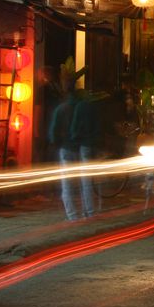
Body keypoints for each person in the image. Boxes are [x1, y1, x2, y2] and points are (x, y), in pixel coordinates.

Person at [49, 77, 97, 221]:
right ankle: (89, 213)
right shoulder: (84, 106)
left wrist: (56, 143)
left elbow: (53, 133)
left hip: (67, 148)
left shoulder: (60, 109)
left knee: (67, 186)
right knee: (86, 183)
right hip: (83, 148)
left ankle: (73, 216)